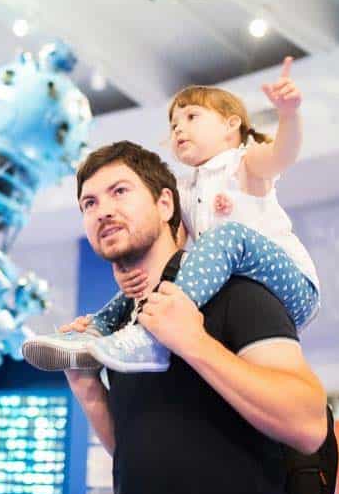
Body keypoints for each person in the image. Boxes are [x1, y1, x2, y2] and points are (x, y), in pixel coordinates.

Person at [58, 141, 328, 494]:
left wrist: (193, 342)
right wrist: (88, 389)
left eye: (119, 191)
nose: (103, 211)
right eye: (89, 203)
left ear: (165, 204)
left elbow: (308, 424)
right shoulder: (122, 326)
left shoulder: (239, 294)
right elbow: (134, 453)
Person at [24, 56, 319, 373]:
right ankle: (96, 330)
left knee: (229, 236)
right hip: (231, 284)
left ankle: (152, 338)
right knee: (162, 274)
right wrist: (128, 273)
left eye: (192, 116)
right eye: (175, 124)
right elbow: (166, 241)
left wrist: (288, 114)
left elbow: (282, 154)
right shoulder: (186, 188)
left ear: (231, 125)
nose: (180, 128)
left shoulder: (244, 163)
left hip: (290, 284)